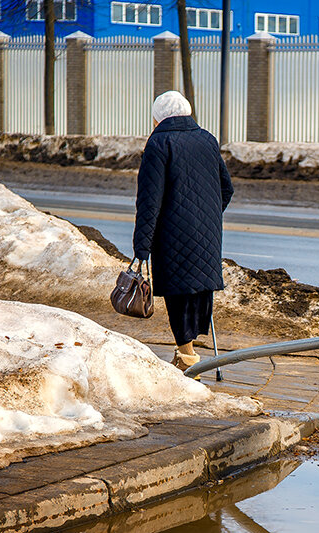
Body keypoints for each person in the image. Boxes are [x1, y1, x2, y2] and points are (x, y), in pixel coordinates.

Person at [133, 91, 234, 370]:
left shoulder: (158, 143)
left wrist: (142, 247)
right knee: (199, 288)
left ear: (158, 117)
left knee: (179, 295)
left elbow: (149, 201)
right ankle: (190, 354)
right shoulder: (207, 139)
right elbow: (226, 188)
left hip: (171, 235)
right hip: (207, 232)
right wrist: (207, 216)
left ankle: (188, 362)